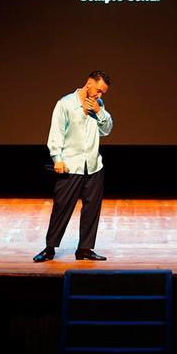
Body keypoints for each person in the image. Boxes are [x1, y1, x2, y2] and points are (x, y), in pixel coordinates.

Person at [34, 71, 113, 262]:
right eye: (99, 91)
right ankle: (50, 248)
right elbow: (56, 133)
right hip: (71, 165)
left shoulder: (98, 105)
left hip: (93, 165)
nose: (100, 95)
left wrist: (99, 111)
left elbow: (107, 130)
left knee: (91, 209)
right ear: (89, 84)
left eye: (103, 93)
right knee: (62, 207)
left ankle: (84, 249)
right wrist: (57, 159)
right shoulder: (66, 104)